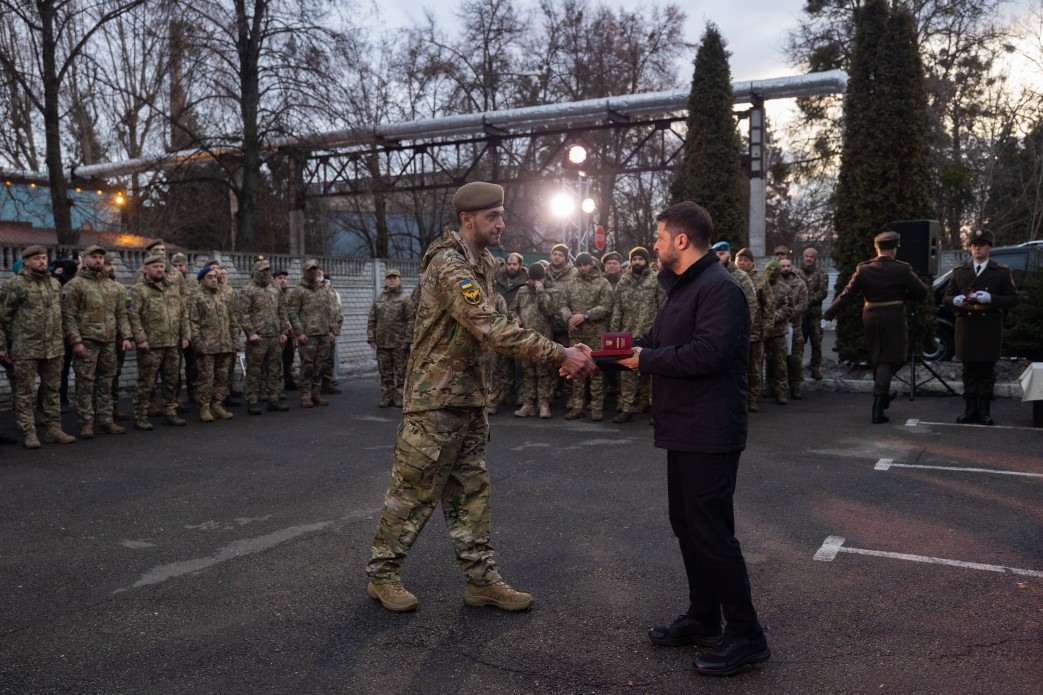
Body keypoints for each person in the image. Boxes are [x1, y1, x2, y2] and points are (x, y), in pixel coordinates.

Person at [365, 181, 596, 613]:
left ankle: (482, 581)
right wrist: (556, 353)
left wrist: (568, 349)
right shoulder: (450, 266)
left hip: (469, 397)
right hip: (435, 400)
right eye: (492, 216)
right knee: (413, 492)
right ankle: (382, 575)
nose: (501, 223)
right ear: (466, 219)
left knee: (472, 491)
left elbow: (503, 321)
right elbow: (490, 326)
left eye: (502, 214)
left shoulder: (484, 263)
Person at [618, 201, 769, 677]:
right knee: (687, 524)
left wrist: (643, 360)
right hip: (683, 428)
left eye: (660, 236)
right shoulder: (684, 288)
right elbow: (652, 340)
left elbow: (707, 354)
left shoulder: (719, 289)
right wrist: (596, 353)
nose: (655, 243)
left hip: (711, 430)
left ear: (681, 241)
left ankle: (746, 636)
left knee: (712, 533)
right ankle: (704, 617)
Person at [823, 231, 928, 424]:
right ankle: (879, 405)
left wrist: (829, 314)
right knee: (891, 359)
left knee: (878, 357)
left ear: (876, 249)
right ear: (894, 250)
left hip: (870, 316)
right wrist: (904, 296)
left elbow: (847, 295)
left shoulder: (864, 269)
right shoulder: (902, 269)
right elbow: (922, 292)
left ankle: (883, 393)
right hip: (894, 317)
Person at [0, 245, 77, 448]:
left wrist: (69, 338)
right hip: (26, 348)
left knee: (52, 390)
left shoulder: (54, 285)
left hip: (53, 348)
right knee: (24, 392)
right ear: (26, 262)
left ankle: (54, 429)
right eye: (37, 259)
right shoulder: (15, 285)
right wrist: (2, 345)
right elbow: (3, 318)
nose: (42, 262)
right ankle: (29, 431)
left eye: (44, 258)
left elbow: (62, 315)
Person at [942, 229, 1019, 425]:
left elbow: (1013, 299)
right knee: (968, 370)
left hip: (988, 326)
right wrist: (954, 300)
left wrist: (992, 298)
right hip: (966, 325)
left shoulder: (1001, 272)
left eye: (982, 244)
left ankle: (984, 411)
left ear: (989, 248)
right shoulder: (960, 271)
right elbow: (946, 297)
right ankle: (969, 409)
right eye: (974, 245)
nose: (977, 248)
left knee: (986, 371)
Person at [61, 245, 133, 438]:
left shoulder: (114, 287)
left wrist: (125, 336)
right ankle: (86, 423)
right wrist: (76, 341)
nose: (99, 260)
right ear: (85, 259)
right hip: (87, 342)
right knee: (85, 383)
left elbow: (122, 315)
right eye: (94, 257)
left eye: (101, 257)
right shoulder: (75, 285)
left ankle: (106, 420)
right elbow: (68, 317)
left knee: (106, 382)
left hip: (109, 342)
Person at [129, 254, 190, 430]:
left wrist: (185, 335)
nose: (159, 270)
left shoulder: (171, 289)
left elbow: (183, 314)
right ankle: (140, 415)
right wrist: (140, 339)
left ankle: (170, 412)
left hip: (172, 343)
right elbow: (133, 316)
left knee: (171, 380)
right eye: (155, 267)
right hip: (151, 345)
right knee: (146, 383)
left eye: (162, 267)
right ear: (146, 269)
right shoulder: (138, 290)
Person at [608, 246, 661, 422]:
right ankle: (627, 407)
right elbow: (617, 310)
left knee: (651, 371)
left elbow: (663, 307)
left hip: (650, 333)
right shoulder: (624, 281)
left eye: (640, 259)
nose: (637, 262)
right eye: (634, 259)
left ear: (646, 261)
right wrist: (614, 334)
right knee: (627, 371)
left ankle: (653, 407)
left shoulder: (656, 280)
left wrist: (662, 331)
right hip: (627, 333)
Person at [560, 252, 612, 421]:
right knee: (575, 369)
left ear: (592, 265)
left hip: (596, 334)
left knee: (596, 369)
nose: (583, 268)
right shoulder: (570, 284)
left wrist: (586, 315)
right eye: (580, 265)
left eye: (586, 264)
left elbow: (607, 306)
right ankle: (578, 406)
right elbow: (562, 305)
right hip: (577, 335)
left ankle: (597, 407)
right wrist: (569, 318)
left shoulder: (602, 283)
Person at [238, 259, 290, 415]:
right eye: (263, 270)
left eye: (268, 270)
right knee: (254, 371)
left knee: (274, 369)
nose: (266, 273)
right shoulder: (248, 290)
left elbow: (282, 311)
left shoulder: (275, 288)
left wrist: (283, 332)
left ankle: (273, 398)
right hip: (258, 338)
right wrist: (251, 333)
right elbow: (243, 314)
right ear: (256, 272)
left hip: (274, 336)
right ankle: (252, 401)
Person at [189, 265, 240, 422]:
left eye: (215, 277)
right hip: (207, 346)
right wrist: (198, 344)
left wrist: (235, 342)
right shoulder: (197, 297)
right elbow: (193, 323)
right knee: (206, 378)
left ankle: (217, 404)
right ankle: (204, 407)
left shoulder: (223, 295)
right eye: (209, 277)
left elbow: (233, 320)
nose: (214, 280)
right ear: (201, 280)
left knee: (222, 377)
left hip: (225, 344)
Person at [287, 259, 339, 408]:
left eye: (315, 269)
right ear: (304, 272)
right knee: (307, 366)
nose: (312, 272)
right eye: (309, 270)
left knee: (321, 365)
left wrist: (331, 330)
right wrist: (299, 332)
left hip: (323, 334)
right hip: (307, 336)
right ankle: (305, 395)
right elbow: (292, 312)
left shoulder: (324, 290)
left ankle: (316, 393)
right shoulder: (299, 291)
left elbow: (331, 310)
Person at [509, 262, 558, 418]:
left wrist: (541, 292)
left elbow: (550, 311)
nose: (535, 282)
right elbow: (512, 309)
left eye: (539, 279)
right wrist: (515, 317)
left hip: (544, 338)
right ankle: (528, 404)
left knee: (544, 372)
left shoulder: (550, 290)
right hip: (526, 339)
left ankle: (543, 404)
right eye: (532, 279)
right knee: (528, 372)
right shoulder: (522, 291)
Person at [367, 268, 415, 408]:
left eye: (394, 277)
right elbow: (372, 320)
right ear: (385, 280)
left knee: (401, 373)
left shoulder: (405, 299)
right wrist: (371, 338)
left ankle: (400, 398)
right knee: (385, 373)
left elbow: (411, 321)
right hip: (382, 344)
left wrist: (407, 340)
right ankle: (387, 396)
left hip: (400, 344)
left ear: (400, 279)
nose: (392, 280)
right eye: (389, 278)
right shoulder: (379, 299)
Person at [735, 248, 770, 411]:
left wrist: (766, 328)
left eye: (746, 260)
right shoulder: (729, 277)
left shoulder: (761, 280)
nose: (742, 263)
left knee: (754, 367)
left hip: (754, 333)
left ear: (752, 262)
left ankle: (754, 398)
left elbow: (769, 306)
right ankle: (738, 398)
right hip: (734, 333)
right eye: (739, 260)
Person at [762, 261, 796, 405]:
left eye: (775, 269)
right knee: (766, 362)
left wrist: (773, 316)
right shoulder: (761, 287)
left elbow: (789, 308)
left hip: (779, 332)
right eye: (769, 269)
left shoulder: (785, 289)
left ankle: (781, 391)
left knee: (780, 363)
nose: (772, 271)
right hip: (763, 332)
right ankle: (768, 387)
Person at [779, 257, 809, 399]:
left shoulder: (800, 284)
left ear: (792, 267)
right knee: (777, 359)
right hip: (778, 328)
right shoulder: (774, 283)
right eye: (783, 266)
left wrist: (787, 315)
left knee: (795, 360)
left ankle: (795, 387)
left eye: (788, 266)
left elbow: (803, 305)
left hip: (795, 327)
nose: (785, 268)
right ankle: (777, 387)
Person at [798, 247, 830, 380]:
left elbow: (823, 292)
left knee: (816, 342)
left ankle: (815, 367)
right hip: (800, 315)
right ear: (803, 257)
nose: (808, 259)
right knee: (799, 343)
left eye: (811, 257)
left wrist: (807, 300)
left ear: (815, 259)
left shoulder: (821, 274)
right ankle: (797, 369)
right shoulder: (797, 273)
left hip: (815, 315)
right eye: (806, 256)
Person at [273, 269, 298, 394]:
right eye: (280, 278)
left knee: (289, 358)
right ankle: (275, 387)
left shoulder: (289, 294)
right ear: (274, 280)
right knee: (276, 360)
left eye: (285, 278)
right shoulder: (272, 294)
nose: (283, 280)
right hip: (278, 332)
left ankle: (289, 380)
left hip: (290, 333)